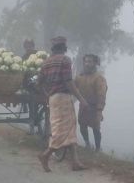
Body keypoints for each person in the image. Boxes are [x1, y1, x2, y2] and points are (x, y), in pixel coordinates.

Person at [36, 36, 88, 172]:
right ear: (64, 48)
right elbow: (68, 82)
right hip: (63, 98)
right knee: (62, 130)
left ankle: (75, 162)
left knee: (70, 128)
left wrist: (46, 94)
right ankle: (45, 155)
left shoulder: (46, 62)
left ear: (53, 48)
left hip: (53, 98)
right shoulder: (65, 60)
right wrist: (81, 99)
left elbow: (39, 82)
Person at [75, 54, 107, 152]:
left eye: (90, 61)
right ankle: (87, 144)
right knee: (82, 125)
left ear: (95, 63)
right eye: (86, 61)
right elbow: (73, 88)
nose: (87, 64)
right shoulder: (79, 76)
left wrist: (99, 109)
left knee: (96, 128)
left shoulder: (99, 78)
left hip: (94, 107)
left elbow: (101, 94)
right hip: (83, 106)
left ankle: (98, 148)